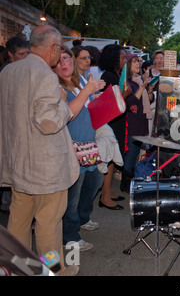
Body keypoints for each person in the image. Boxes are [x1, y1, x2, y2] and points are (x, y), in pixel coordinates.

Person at [0, 25, 80, 276]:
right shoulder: (45, 75)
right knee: (48, 225)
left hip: (17, 162)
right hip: (47, 168)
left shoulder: (8, 71)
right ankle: (53, 271)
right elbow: (48, 124)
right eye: (59, 50)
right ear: (54, 47)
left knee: (19, 222)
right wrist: (64, 104)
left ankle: (16, 270)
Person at [54, 45, 106, 251]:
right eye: (59, 61)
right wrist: (87, 93)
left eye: (67, 58)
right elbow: (68, 115)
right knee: (72, 194)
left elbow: (88, 104)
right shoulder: (58, 87)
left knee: (94, 181)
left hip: (88, 144)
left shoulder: (81, 81)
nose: (64, 63)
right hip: (72, 146)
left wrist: (98, 98)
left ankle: (83, 218)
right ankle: (70, 236)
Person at [97, 44, 130, 209]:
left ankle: (108, 192)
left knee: (111, 159)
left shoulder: (115, 75)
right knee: (109, 158)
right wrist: (125, 94)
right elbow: (111, 103)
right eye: (123, 58)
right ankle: (105, 197)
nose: (126, 61)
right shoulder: (108, 76)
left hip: (117, 120)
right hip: (111, 121)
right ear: (113, 59)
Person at [120, 54, 153, 193]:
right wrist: (143, 86)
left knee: (135, 153)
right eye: (134, 61)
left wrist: (149, 88)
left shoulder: (139, 80)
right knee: (131, 154)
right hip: (133, 122)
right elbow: (131, 102)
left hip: (141, 120)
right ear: (128, 65)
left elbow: (148, 101)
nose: (138, 64)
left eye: (139, 61)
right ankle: (125, 184)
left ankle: (130, 180)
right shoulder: (128, 82)